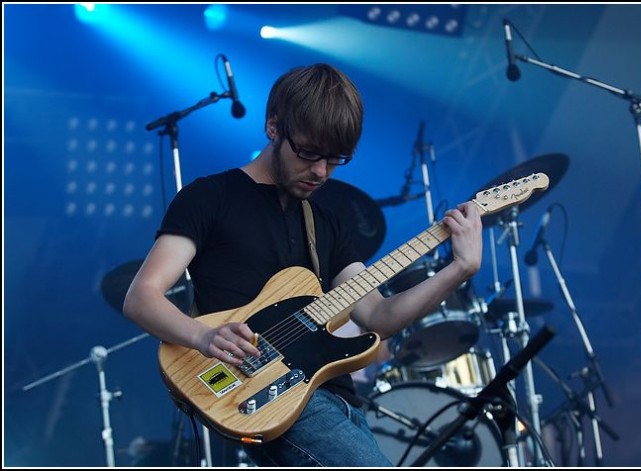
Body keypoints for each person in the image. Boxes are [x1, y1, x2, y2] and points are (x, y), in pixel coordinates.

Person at [123, 63, 483, 467]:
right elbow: (141, 297)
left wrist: (459, 270)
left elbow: (378, 317)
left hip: (339, 400)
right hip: (271, 395)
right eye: (309, 153)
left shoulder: (327, 222)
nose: (320, 171)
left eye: (334, 159)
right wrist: (204, 338)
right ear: (273, 126)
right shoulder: (209, 197)